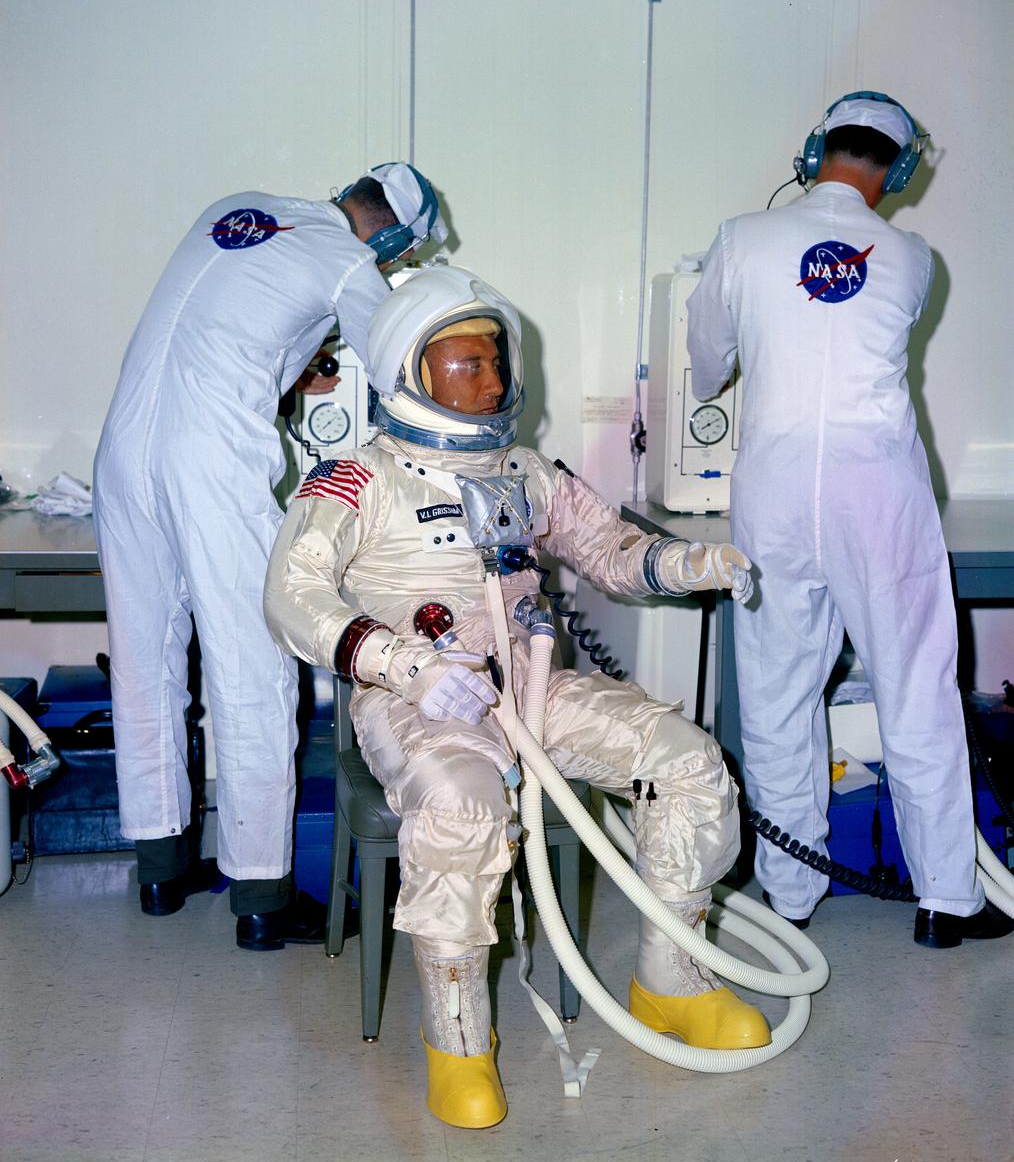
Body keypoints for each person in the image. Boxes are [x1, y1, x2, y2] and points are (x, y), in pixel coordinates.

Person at [264, 265, 768, 1130]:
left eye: (496, 362)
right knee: (461, 807)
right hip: (412, 701)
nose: (491, 382)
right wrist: (404, 663)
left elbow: (608, 547)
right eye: (467, 365)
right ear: (411, 374)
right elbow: (292, 598)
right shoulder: (357, 481)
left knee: (687, 761)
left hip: (531, 690)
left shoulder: (527, 471)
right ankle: (458, 1046)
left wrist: (683, 564)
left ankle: (672, 986)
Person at [686, 92, 1014, 949]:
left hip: (778, 488)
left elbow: (707, 360)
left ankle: (791, 890)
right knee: (916, 687)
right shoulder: (912, 256)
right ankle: (948, 898)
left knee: (777, 685)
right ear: (901, 170)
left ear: (812, 149)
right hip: (880, 488)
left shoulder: (740, 238)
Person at [93, 162, 448, 950]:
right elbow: (405, 374)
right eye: (395, 257)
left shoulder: (237, 206)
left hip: (122, 452)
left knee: (144, 660)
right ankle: (260, 895)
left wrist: (295, 364)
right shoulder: (354, 263)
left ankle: (161, 866)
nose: (387, 267)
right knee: (253, 668)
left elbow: (219, 335)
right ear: (390, 235)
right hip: (210, 466)